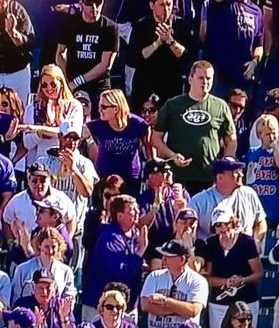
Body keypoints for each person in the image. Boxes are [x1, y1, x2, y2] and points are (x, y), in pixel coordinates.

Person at [150, 60, 237, 193]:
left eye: (208, 78)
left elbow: (231, 140)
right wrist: (172, 155)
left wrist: (225, 164)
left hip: (210, 176)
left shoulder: (220, 106)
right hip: (179, 177)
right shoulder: (173, 105)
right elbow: (155, 138)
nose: (205, 82)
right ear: (190, 79)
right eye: (201, 78)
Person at [36, 122, 97, 266]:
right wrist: (61, 170)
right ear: (60, 137)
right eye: (67, 138)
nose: (71, 142)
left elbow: (87, 191)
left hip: (74, 229)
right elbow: (40, 191)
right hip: (49, 230)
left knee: (72, 271)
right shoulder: (44, 161)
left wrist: (74, 169)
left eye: (74, 138)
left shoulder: (85, 164)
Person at [83, 195, 147, 321]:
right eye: (131, 211)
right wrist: (140, 251)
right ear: (119, 216)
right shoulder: (109, 236)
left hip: (126, 305)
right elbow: (119, 271)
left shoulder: (134, 234)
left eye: (137, 209)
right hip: (100, 306)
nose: (137, 213)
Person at [127, 0, 194, 109]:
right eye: (161, 4)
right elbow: (134, 58)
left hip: (171, 84)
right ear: (152, 5)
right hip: (145, 83)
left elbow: (186, 57)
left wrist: (170, 41)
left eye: (169, 4)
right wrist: (157, 43)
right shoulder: (141, 26)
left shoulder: (181, 26)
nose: (166, 8)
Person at [140, 239, 208, 328]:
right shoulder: (154, 276)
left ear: (182, 259)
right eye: (163, 255)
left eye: (168, 256)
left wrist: (164, 301)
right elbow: (146, 305)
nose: (163, 259)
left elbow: (193, 310)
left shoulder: (197, 281)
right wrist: (179, 309)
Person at [205, 205, 263, 328]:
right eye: (218, 225)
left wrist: (242, 280)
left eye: (225, 224)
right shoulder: (211, 243)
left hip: (246, 301)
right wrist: (226, 282)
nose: (222, 228)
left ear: (232, 222)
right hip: (219, 304)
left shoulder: (247, 242)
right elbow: (208, 277)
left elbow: (258, 273)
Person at [56, 0, 119, 107]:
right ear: (81, 3)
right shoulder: (71, 24)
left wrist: (77, 82)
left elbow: (105, 65)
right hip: (73, 86)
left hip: (98, 86)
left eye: (98, 3)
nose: (94, 8)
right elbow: (60, 53)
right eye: (89, 3)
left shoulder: (110, 28)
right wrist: (65, 79)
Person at [86, 89, 150, 196]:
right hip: (105, 176)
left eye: (104, 107)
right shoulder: (97, 125)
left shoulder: (138, 124)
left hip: (130, 177)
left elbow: (149, 149)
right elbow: (77, 131)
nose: (99, 110)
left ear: (116, 108)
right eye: (99, 106)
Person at [19, 65, 84, 169]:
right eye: (44, 85)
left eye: (53, 84)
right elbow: (27, 143)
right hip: (40, 164)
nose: (49, 88)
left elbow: (69, 133)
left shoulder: (74, 105)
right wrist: (39, 134)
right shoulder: (32, 108)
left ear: (61, 84)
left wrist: (38, 129)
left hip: (66, 161)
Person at [204, 0, 264, 98]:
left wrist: (255, 62)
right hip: (220, 77)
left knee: (241, 114)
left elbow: (259, 44)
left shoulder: (257, 12)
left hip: (243, 79)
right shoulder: (221, 2)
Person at [190, 157, 266, 241]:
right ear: (220, 177)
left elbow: (260, 222)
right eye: (236, 172)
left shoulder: (249, 194)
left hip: (245, 250)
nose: (241, 175)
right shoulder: (199, 201)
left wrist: (257, 242)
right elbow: (187, 229)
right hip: (211, 252)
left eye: (240, 171)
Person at [12, 268, 76, 328]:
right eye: (41, 288)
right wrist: (34, 325)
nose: (45, 292)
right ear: (33, 287)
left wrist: (64, 319)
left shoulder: (61, 305)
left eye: (48, 288)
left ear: (54, 288)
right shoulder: (22, 305)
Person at [3, 163, 77, 243]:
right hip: (25, 250)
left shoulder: (61, 199)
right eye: (35, 181)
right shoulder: (16, 201)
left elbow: (71, 219)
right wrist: (10, 243)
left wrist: (66, 242)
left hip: (53, 251)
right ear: (28, 180)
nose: (39, 185)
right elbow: (6, 221)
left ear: (49, 180)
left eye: (43, 181)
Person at [245, 114, 279, 226]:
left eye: (274, 133)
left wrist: (275, 147)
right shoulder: (252, 153)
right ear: (260, 135)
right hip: (256, 201)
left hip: (273, 206)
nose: (271, 137)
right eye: (268, 134)